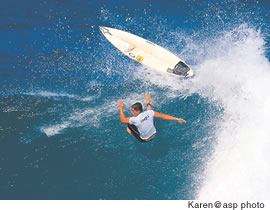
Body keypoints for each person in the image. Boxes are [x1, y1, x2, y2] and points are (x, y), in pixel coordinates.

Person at [119, 93, 186, 142]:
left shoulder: (134, 119)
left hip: (145, 139)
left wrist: (121, 108)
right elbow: (163, 116)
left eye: (132, 110)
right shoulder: (149, 112)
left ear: (136, 111)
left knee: (128, 125)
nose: (131, 112)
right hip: (154, 134)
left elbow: (122, 119)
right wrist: (176, 118)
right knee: (150, 114)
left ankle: (132, 131)